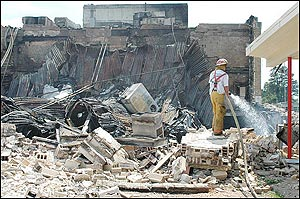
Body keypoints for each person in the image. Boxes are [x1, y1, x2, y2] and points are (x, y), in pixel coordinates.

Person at [209, 58, 230, 135]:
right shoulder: (225, 75)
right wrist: (227, 95)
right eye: (224, 66)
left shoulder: (212, 73)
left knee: (215, 111)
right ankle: (217, 131)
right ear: (222, 66)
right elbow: (226, 87)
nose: (225, 67)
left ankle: (214, 128)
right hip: (219, 94)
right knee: (220, 112)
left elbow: (211, 83)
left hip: (212, 94)